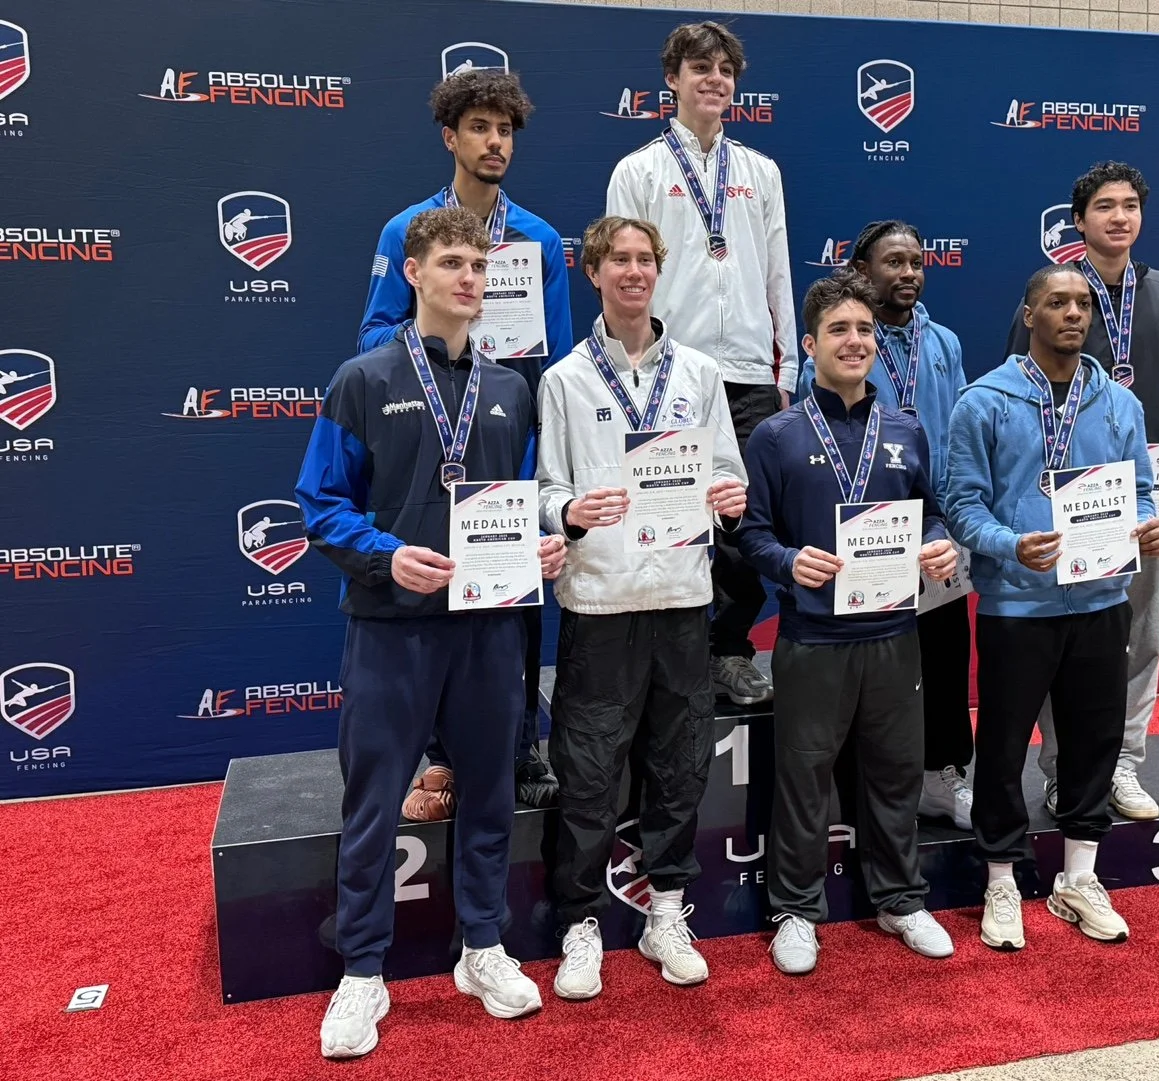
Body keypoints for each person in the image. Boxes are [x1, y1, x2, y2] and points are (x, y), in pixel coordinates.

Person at [297, 207, 567, 1058]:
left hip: (490, 628)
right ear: (412, 273)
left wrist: (544, 542)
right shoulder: (363, 378)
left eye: (481, 269)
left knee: (488, 790)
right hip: (393, 625)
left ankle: (482, 947)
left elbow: (524, 499)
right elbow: (319, 506)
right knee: (375, 802)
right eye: (453, 264)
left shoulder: (512, 389)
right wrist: (384, 556)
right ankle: (363, 970)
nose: (470, 280)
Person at [537, 215, 748, 999]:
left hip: (683, 596)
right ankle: (581, 921)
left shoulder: (697, 372)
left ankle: (666, 908)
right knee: (590, 770)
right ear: (592, 271)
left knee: (680, 760)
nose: (633, 271)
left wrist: (731, 497)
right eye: (618, 259)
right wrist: (571, 512)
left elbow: (726, 473)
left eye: (644, 260)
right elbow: (547, 491)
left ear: (659, 271)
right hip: (600, 600)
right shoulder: (564, 379)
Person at [358, 67, 575, 819]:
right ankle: (440, 754)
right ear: (451, 137)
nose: (494, 142)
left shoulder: (540, 239)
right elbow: (370, 335)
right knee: (436, 587)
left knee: (511, 595)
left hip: (503, 431)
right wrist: (450, 328)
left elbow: (557, 361)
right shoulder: (407, 230)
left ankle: (519, 744)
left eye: (505, 129)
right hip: (425, 433)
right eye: (479, 128)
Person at [738, 271, 956, 976]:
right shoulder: (775, 436)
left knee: (895, 776)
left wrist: (942, 542)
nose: (855, 340)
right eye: (839, 330)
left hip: (895, 636)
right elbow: (752, 534)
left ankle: (898, 897)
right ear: (810, 344)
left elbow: (935, 513)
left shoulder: (907, 429)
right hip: (814, 641)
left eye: (864, 329)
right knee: (804, 780)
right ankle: (796, 910)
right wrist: (786, 559)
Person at [947, 263, 1159, 952]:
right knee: (1006, 748)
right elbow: (961, 505)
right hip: (1018, 606)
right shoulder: (983, 401)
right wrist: (1012, 545)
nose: (1073, 313)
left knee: (1092, 744)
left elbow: (1136, 490)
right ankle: (1003, 879)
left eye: (1082, 303)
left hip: (1101, 597)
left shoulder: (1120, 405)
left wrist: (1147, 523)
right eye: (1057, 302)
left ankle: (1080, 877)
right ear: (1030, 313)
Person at [1005, 160, 1159, 822]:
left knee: (1142, 631)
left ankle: (1124, 761)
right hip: (1074, 491)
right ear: (1080, 220)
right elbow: (1018, 390)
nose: (1120, 217)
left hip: (1150, 489)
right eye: (1105, 207)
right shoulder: (1052, 295)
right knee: (1072, 633)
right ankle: (1065, 769)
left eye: (1130, 206)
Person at [606, 20, 796, 709]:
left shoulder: (760, 171)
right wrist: (632, 365)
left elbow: (777, 273)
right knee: (667, 514)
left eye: (725, 69)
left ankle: (731, 648)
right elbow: (621, 275)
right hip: (667, 372)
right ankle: (665, 655)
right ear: (673, 80)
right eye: (700, 67)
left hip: (747, 370)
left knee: (744, 525)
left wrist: (788, 372)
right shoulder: (640, 170)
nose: (714, 78)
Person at [797, 221, 973, 830]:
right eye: (893, 263)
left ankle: (946, 773)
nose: (908, 274)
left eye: (916, 262)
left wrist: (950, 522)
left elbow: (956, 433)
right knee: (870, 669)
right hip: (862, 533)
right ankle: (858, 786)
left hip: (932, 527)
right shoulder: (844, 345)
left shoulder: (944, 342)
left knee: (947, 657)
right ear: (862, 273)